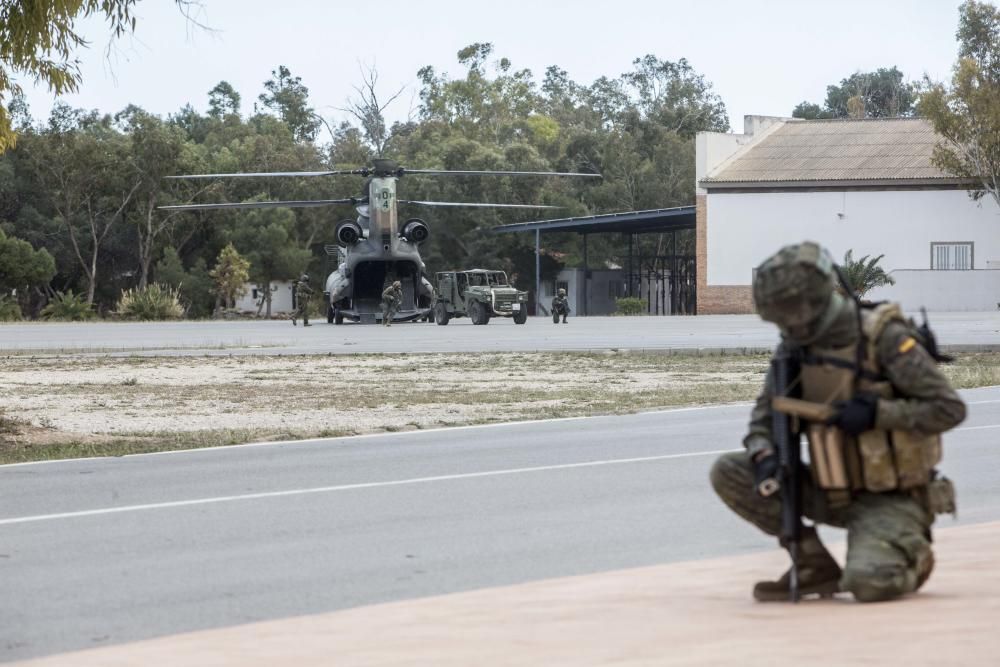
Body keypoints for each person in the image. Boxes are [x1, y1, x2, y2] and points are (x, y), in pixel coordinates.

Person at [710, 241, 965, 603]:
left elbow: (948, 408)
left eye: (789, 317)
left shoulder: (884, 338)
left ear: (810, 307)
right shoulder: (794, 349)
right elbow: (762, 422)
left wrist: (878, 413)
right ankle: (812, 564)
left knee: (868, 584)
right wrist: (763, 455)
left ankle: (909, 556)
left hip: (890, 498)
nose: (785, 327)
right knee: (728, 471)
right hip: (829, 489)